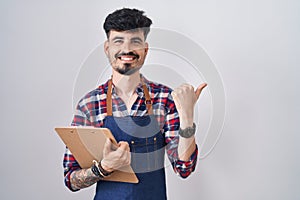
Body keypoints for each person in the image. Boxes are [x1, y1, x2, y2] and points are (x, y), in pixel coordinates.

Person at [63, 8, 207, 200]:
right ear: (107, 48)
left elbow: (184, 168)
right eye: (118, 41)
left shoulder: (165, 99)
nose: (127, 49)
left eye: (135, 41)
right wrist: (103, 168)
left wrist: (187, 117)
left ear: (145, 50)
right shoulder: (89, 104)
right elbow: (71, 179)